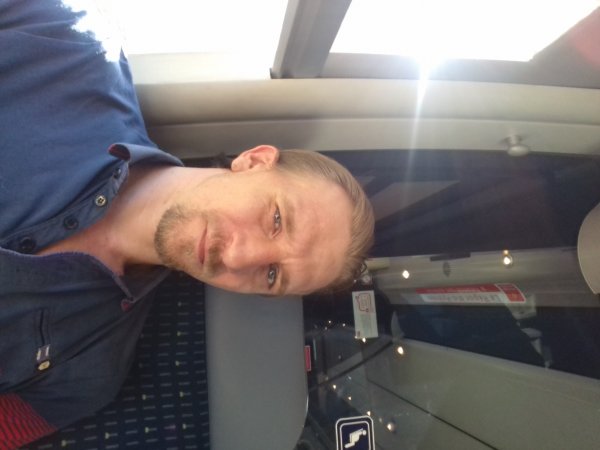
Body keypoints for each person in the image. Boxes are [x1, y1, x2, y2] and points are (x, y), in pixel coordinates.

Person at [0, 0, 374, 448]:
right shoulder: (68, 44)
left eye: (272, 275)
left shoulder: (89, 373)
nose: (240, 257)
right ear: (254, 161)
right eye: (276, 220)